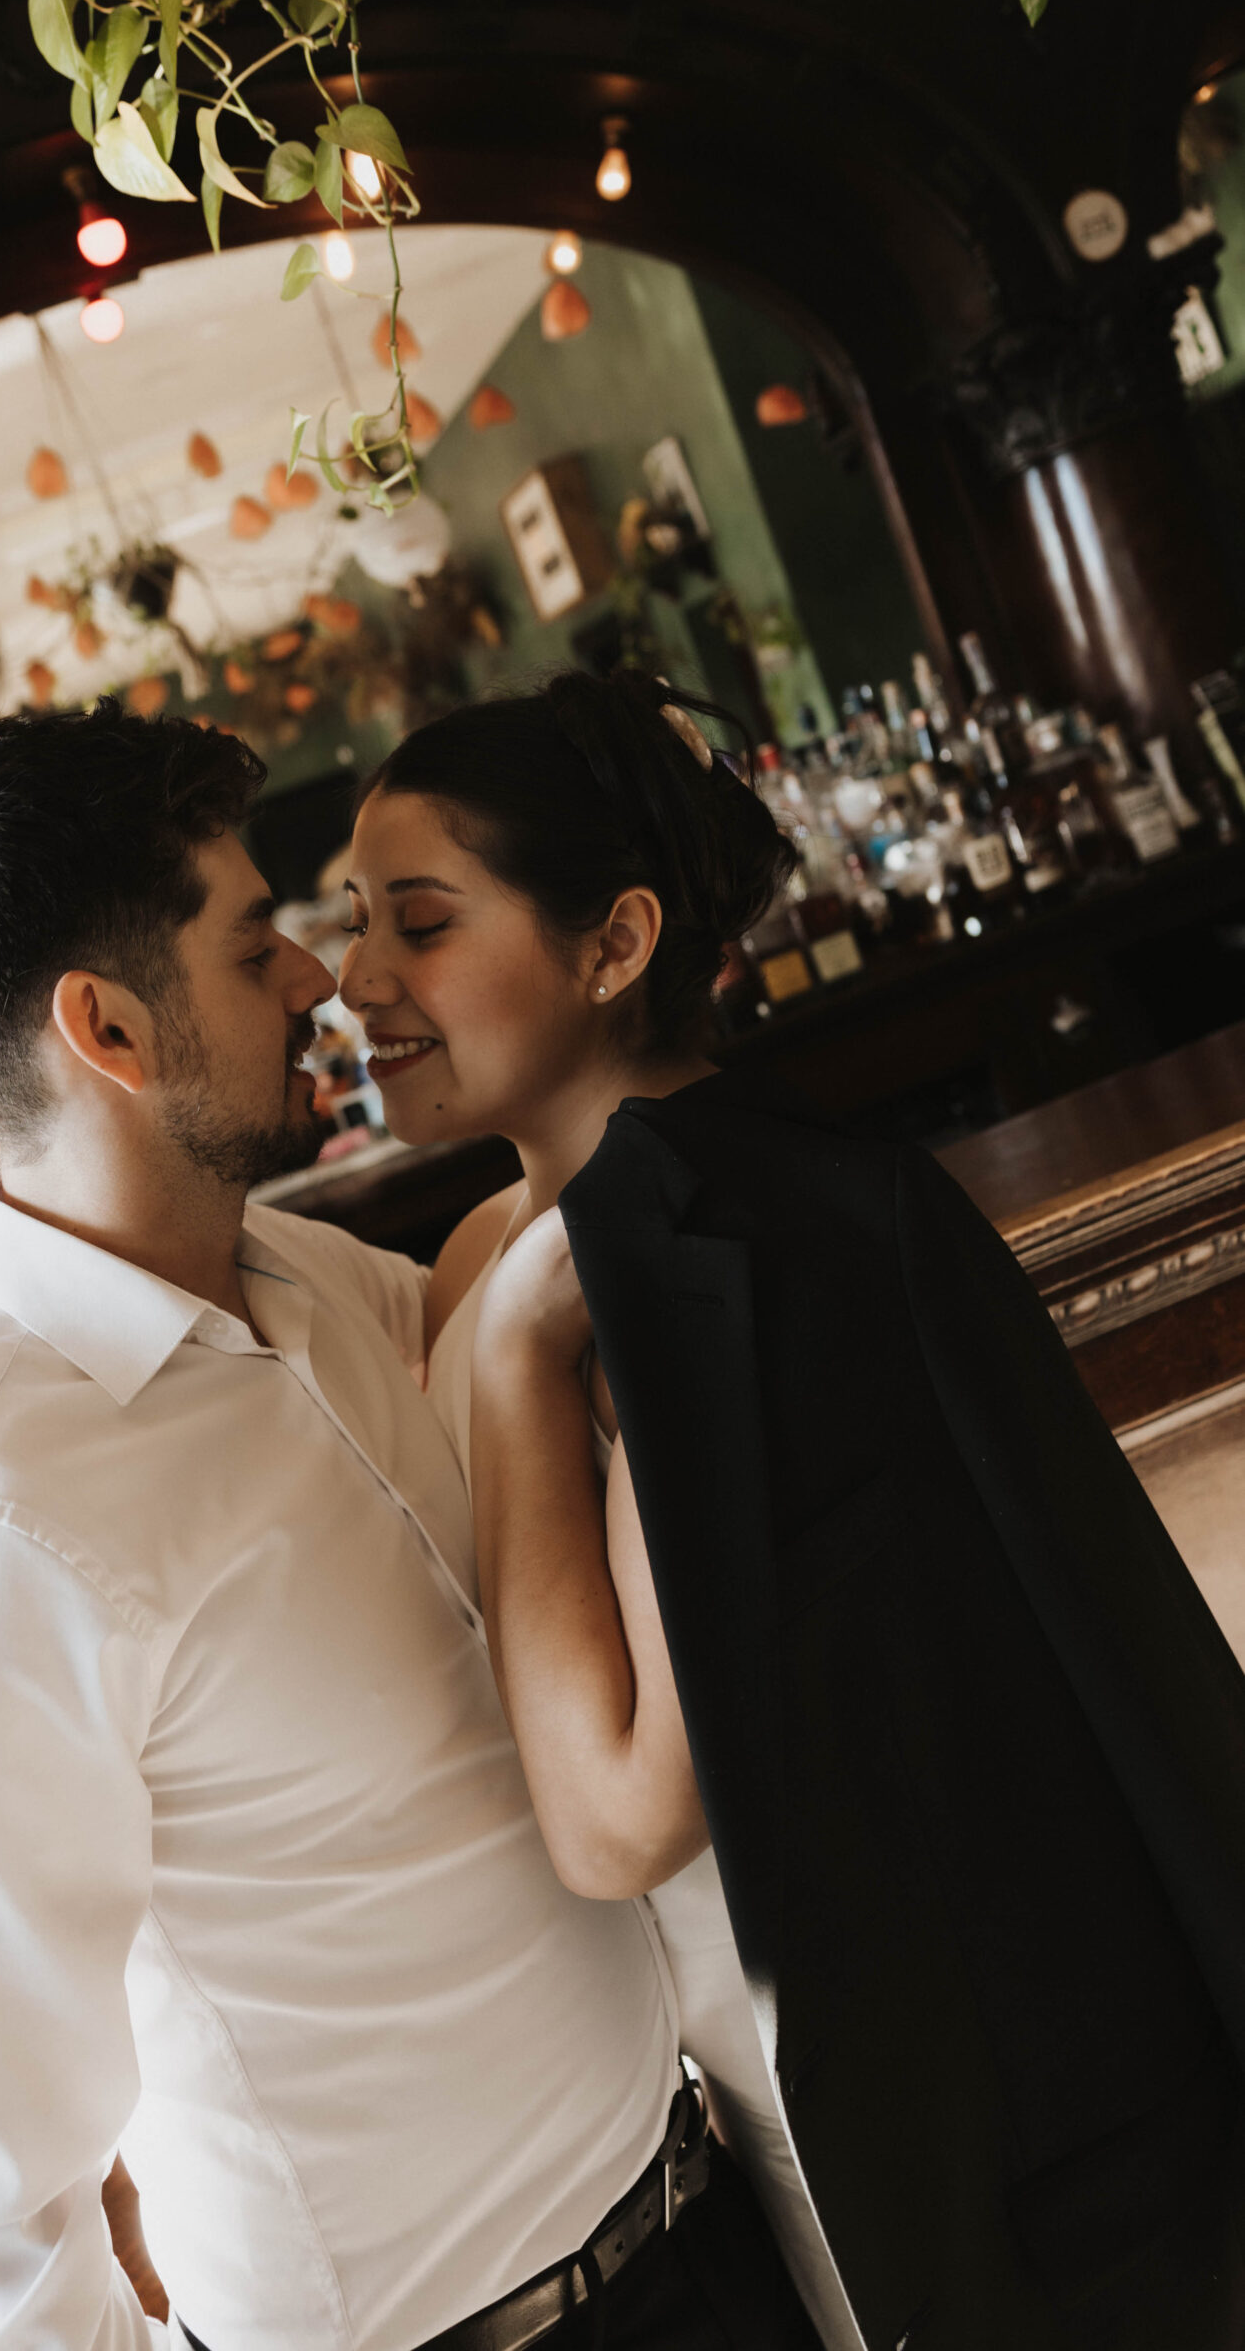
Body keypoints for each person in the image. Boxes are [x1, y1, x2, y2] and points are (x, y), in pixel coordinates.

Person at [0, 700, 819, 2351]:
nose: (318, 978)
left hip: (712, 2234)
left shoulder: (322, 1285)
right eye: (253, 937)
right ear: (111, 1030)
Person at [339, 667, 1245, 2351]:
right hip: (643, 2121)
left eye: (420, 923)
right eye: (345, 925)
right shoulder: (494, 1246)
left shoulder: (705, 1256)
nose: (357, 980)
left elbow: (623, 1814)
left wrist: (529, 1369)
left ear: (613, 943)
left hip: (852, 2050)